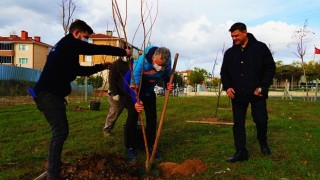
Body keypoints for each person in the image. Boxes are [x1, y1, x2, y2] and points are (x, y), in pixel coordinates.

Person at [33, 19, 131, 179]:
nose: (86, 41)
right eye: (85, 37)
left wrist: (101, 66)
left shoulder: (67, 50)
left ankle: (53, 165)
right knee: (60, 131)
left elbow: (78, 70)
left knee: (60, 131)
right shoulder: (68, 43)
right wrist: (122, 52)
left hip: (49, 94)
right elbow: (96, 48)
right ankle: (53, 172)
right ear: (76, 33)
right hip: (47, 95)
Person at [220, 22, 276, 163]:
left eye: (237, 35)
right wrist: (227, 87)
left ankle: (263, 143)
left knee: (261, 120)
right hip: (237, 94)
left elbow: (270, 68)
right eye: (232, 36)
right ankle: (241, 151)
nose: (234, 39)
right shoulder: (229, 53)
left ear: (245, 32)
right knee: (238, 124)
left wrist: (263, 86)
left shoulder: (260, 48)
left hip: (257, 93)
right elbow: (224, 72)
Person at [122, 46, 173, 162]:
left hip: (149, 90)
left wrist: (168, 84)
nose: (159, 68)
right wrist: (136, 101)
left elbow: (168, 76)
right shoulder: (141, 62)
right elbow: (133, 84)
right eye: (157, 64)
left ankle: (151, 145)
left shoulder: (167, 63)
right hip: (132, 88)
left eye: (162, 66)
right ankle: (130, 147)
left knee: (152, 117)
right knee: (133, 116)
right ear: (153, 57)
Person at [103, 56, 129, 136]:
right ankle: (107, 129)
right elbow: (111, 80)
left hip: (126, 93)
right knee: (115, 110)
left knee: (134, 109)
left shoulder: (130, 63)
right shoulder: (116, 64)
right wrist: (114, 94)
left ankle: (135, 125)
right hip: (116, 93)